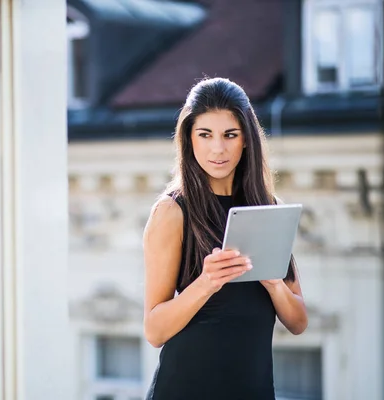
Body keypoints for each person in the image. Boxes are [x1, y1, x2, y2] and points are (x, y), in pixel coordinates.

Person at [143, 77, 308, 400]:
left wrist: (274, 283)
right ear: (189, 139)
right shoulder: (172, 212)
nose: (218, 148)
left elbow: (299, 322)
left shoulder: (268, 208)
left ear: (246, 139)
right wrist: (207, 282)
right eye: (205, 135)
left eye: (230, 135)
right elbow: (154, 330)